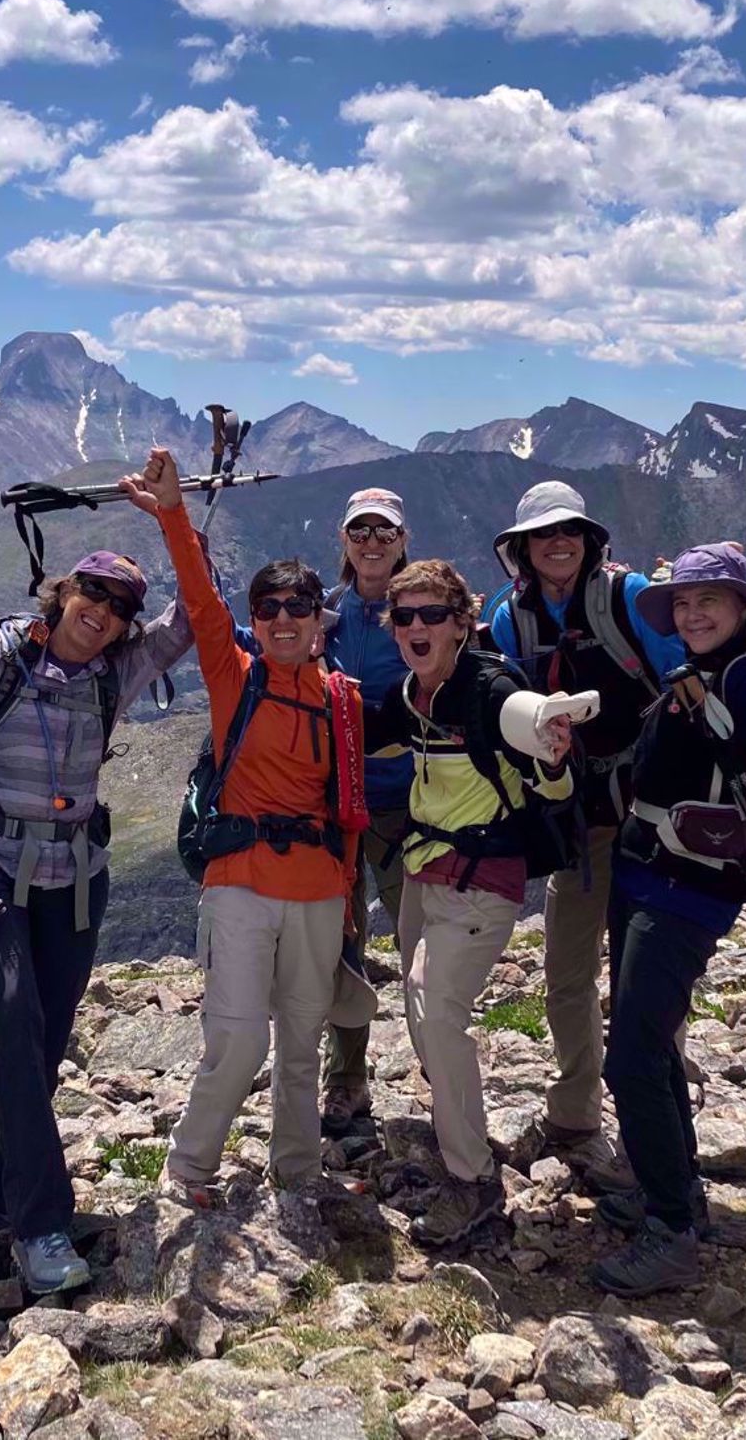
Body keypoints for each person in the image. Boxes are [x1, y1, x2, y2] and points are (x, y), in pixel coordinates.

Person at [0, 531, 195, 1294]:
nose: (103, 614)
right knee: (13, 1021)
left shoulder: (116, 670)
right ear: (64, 593)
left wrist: (181, 525)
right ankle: (40, 1223)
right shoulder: (0, 655)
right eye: (94, 595)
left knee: (42, 1045)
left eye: (120, 609)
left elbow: (187, 626)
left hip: (76, 877)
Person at [594, 526, 746, 1297]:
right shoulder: (702, 668)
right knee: (651, 1045)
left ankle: (670, 1230)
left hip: (683, 890)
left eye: (710, 601)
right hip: (644, 875)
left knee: (630, 1056)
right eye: (684, 601)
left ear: (742, 606)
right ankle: (678, 1194)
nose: (693, 614)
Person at [133, 447, 362, 1205]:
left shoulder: (344, 699)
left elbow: (351, 805)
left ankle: (297, 1170)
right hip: (240, 881)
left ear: (319, 618)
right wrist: (173, 511)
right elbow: (202, 602)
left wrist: (351, 903)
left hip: (320, 889)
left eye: (299, 607)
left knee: (303, 1042)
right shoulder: (237, 677)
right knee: (236, 1038)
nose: (284, 620)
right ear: (256, 621)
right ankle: (189, 1164)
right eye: (269, 609)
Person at [365, 559, 574, 1244]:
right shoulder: (413, 692)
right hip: (426, 875)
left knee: (434, 1005)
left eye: (432, 615)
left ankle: (473, 1178)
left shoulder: (489, 689)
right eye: (405, 617)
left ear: (462, 624)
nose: (417, 628)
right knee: (422, 1011)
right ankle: (457, 1127)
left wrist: (548, 743)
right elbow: (369, 732)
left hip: (482, 879)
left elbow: (538, 751)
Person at [484, 482, 684, 1190]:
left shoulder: (629, 598)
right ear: (525, 549)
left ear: (587, 538)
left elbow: (680, 679)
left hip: (650, 814)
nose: (557, 543)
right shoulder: (508, 620)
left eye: (567, 531)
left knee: (645, 978)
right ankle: (576, 1117)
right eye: (544, 535)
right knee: (568, 976)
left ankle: (654, 1119)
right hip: (580, 819)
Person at [320, 487, 415, 1137]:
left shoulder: (420, 611)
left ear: (403, 540)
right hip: (334, 807)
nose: (373, 541)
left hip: (410, 803)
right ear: (346, 539)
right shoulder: (324, 615)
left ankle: (440, 1070)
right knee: (342, 944)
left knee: (423, 943)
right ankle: (346, 1081)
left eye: (385, 531)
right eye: (362, 530)